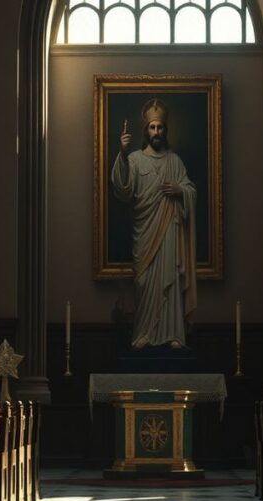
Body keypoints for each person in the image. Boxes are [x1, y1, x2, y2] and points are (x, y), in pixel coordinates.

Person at [111, 98, 198, 350]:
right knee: (144, 281)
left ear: (165, 130)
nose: (156, 132)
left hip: (170, 231)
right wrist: (123, 155)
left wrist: (181, 191)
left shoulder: (175, 161)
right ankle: (144, 332)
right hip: (145, 233)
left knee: (169, 279)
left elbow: (191, 189)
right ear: (145, 130)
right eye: (152, 128)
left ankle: (174, 334)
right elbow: (123, 189)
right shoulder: (136, 159)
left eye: (160, 128)